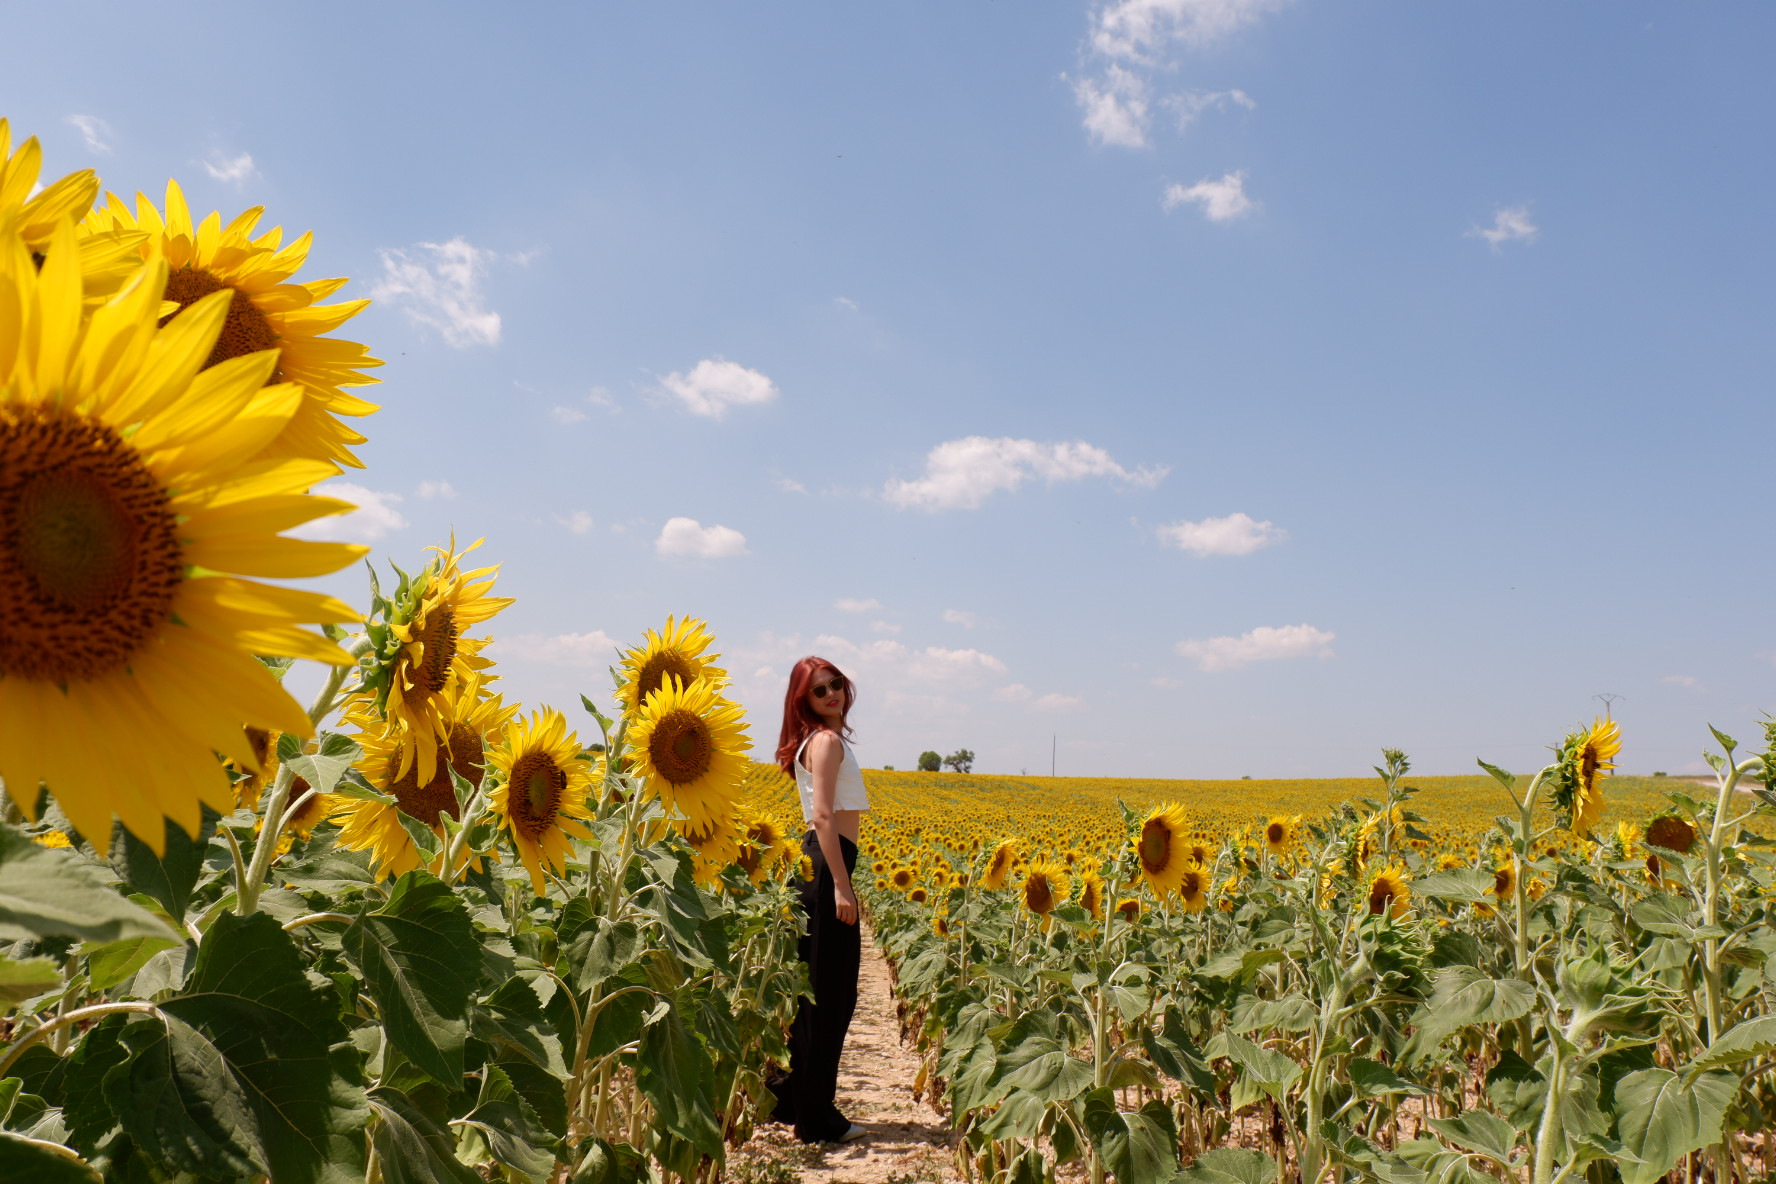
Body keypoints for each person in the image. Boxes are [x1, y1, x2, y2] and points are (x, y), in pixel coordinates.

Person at [768, 656, 870, 1144]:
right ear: (802, 700)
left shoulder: (817, 740)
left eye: (836, 685)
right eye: (819, 690)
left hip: (822, 866)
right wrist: (842, 887)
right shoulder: (826, 742)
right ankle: (816, 1117)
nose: (832, 694)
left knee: (814, 995)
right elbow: (825, 817)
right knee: (831, 996)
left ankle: (790, 1099)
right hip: (828, 867)